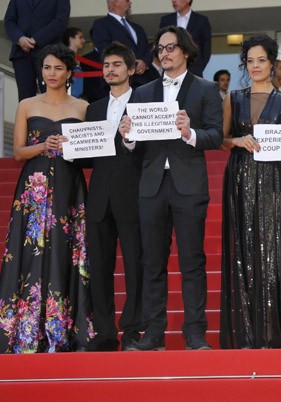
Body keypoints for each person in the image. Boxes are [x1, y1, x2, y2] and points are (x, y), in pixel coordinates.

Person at [118, 26, 223, 351]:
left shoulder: (206, 89)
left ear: (186, 51)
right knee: (152, 262)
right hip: (151, 186)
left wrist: (190, 133)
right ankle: (153, 334)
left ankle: (194, 334)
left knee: (192, 261)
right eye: (160, 49)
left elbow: (216, 135)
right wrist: (128, 136)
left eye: (170, 47)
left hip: (188, 186)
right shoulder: (143, 91)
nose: (164, 53)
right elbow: (134, 144)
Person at [0, 44, 92, 353]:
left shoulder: (83, 107)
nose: (51, 73)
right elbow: (17, 152)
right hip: (34, 187)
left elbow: (91, 150)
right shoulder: (26, 103)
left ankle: (64, 331)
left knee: (67, 252)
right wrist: (43, 146)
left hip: (69, 185)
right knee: (30, 254)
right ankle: (25, 333)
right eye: (46, 68)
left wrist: (73, 149)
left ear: (68, 73)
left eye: (57, 68)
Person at [220, 34, 281, 349]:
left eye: (261, 60)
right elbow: (221, 138)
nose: (255, 66)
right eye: (249, 61)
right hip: (239, 176)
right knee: (243, 253)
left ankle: (271, 332)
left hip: (273, 179)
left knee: (272, 253)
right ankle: (246, 334)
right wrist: (237, 141)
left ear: (273, 63)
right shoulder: (233, 98)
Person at [83, 42, 143, 352]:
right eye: (106, 65)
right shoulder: (91, 108)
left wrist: (131, 140)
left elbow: (152, 151)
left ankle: (133, 330)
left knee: (135, 265)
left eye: (117, 64)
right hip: (98, 199)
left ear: (131, 69)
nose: (110, 70)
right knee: (99, 268)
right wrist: (70, 145)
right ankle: (105, 332)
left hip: (132, 195)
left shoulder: (145, 104)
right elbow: (88, 157)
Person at [3, 0, 70, 101]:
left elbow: (61, 21)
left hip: (50, 53)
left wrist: (36, 39)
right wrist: (20, 38)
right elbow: (9, 20)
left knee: (52, 96)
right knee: (24, 99)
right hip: (21, 53)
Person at [91, 0, 159, 90]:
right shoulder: (101, 24)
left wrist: (144, 63)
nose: (130, 2)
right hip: (119, 82)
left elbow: (148, 50)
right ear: (114, 2)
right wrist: (131, 63)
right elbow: (106, 51)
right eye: (127, 0)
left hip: (144, 82)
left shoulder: (137, 28)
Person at [160, 0, 212, 77]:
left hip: (194, 71)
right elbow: (161, 44)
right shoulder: (166, 20)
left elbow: (206, 48)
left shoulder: (201, 20)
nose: (173, 1)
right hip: (171, 71)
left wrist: (199, 67)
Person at [62, 27, 86, 99]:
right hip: (67, 99)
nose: (84, 40)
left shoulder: (77, 58)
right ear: (71, 39)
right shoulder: (64, 57)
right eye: (80, 37)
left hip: (76, 99)